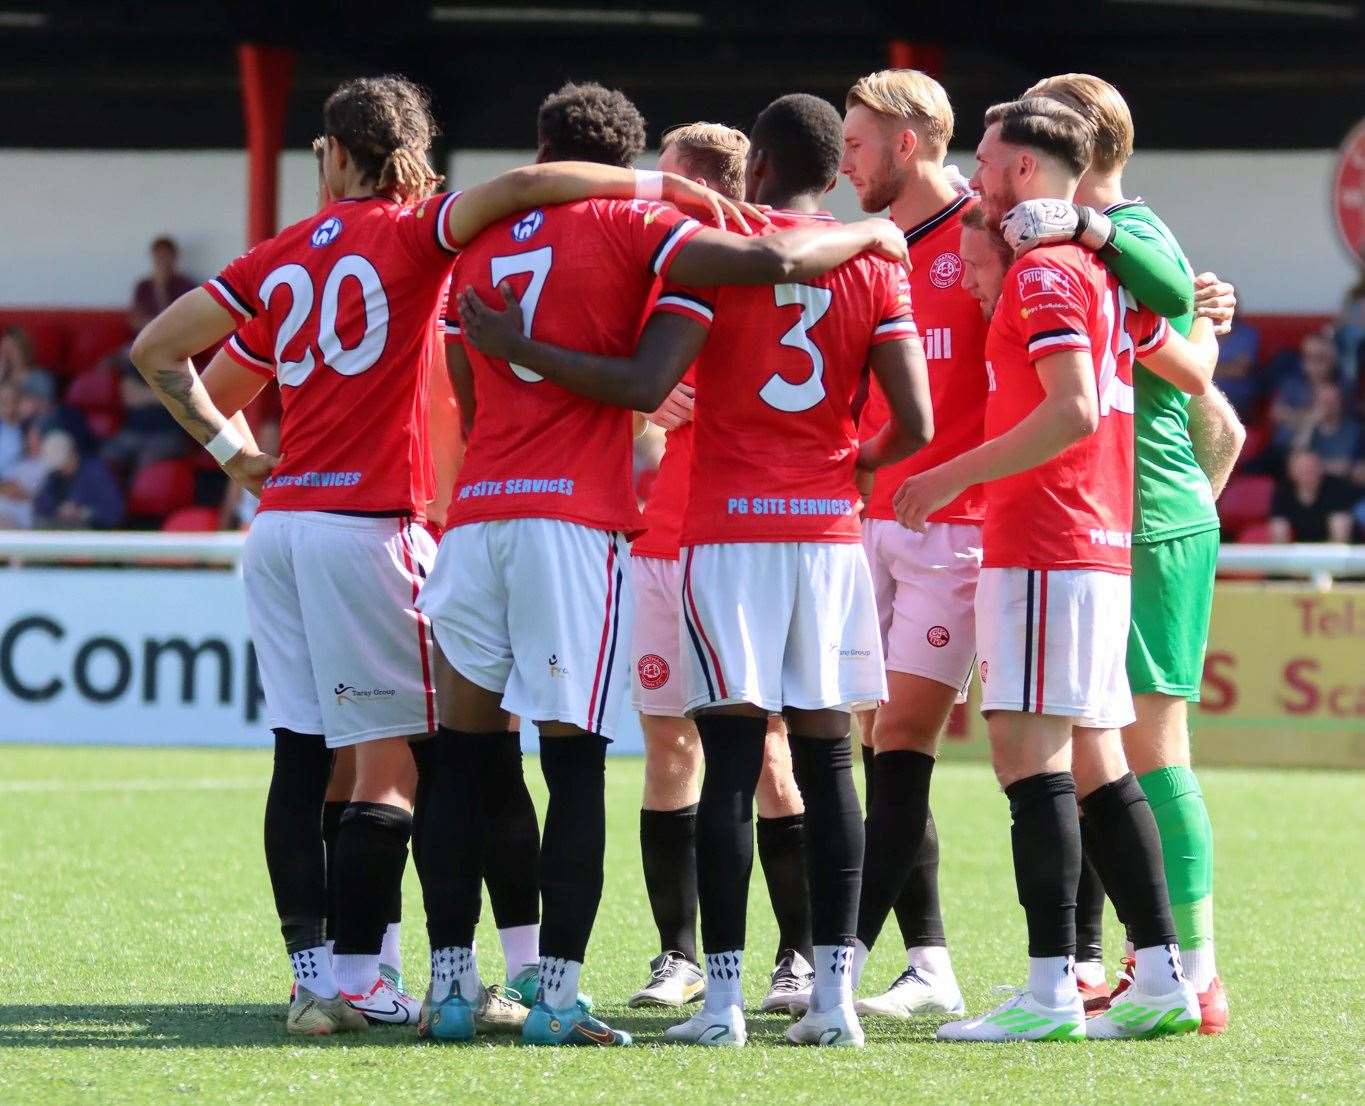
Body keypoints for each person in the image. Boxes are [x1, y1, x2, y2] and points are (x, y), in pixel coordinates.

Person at [130, 73, 757, 1038]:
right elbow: (523, 198)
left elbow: (184, 361)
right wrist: (658, 192)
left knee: (326, 760)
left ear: (333, 155)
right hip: (406, 522)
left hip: (330, 526)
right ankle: (451, 977)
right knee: (455, 762)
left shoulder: (312, 258)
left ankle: (353, 980)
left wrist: (239, 458)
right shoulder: (436, 243)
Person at [423, 81, 910, 1049]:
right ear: (621, 155)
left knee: (463, 762)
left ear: (542, 146)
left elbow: (471, 392)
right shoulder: (635, 226)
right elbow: (771, 264)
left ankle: (450, 984)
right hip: (594, 521)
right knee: (583, 765)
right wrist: (869, 236)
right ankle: (561, 993)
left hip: (481, 514)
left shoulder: (475, 240)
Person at [896, 96, 1211, 1042]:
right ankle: (1160, 980)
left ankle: (1048, 994)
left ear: (1026, 170)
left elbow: (1070, 410)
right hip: (1087, 541)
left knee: (1028, 761)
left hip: (1047, 539)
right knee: (1096, 763)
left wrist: (947, 475)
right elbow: (1179, 352)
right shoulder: (1098, 266)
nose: (977, 178)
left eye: (989, 161)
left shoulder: (1044, 273)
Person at [1016, 73, 1246, 1033]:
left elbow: (1195, 387)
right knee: (1095, 750)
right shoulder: (1123, 244)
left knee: (1148, 749)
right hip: (1131, 513)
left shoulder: (1123, 241)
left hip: (1144, 518)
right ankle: (1122, 961)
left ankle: (1193, 971)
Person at [622, 122, 816, 1015]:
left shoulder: (749, 276)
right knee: (668, 744)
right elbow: (629, 417)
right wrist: (645, 405)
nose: (650, 195)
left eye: (666, 180)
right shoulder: (663, 283)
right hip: (659, 546)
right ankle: (678, 955)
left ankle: (798, 957)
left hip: (743, 544)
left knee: (770, 748)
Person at [32, 428, 123, 529]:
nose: (60, 468)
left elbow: (114, 510)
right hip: (61, 527)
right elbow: (41, 503)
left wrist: (82, 512)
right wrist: (58, 509)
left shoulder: (95, 471)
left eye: (63, 463)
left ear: (72, 454)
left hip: (90, 532)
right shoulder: (54, 474)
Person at [1269, 447, 1356, 542]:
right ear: (1291, 471)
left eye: (1312, 467)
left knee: (1340, 522)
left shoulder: (1337, 487)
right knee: (1278, 527)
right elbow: (1279, 525)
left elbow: (1341, 527)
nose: (1308, 472)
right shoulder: (1283, 491)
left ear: (1321, 468)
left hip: (1335, 548)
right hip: (1299, 547)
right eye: (1302, 469)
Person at [129, 236, 198, 333]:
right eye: (158, 256)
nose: (161, 260)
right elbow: (135, 322)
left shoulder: (186, 285)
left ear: (174, 257)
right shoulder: (143, 286)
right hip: (145, 338)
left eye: (165, 255)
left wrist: (161, 288)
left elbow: (186, 321)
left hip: (175, 339)